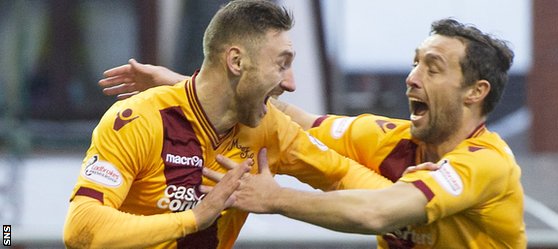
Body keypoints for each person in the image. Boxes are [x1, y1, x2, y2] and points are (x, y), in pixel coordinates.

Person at [99, 19, 526, 248]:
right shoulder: (386, 137)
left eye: (432, 68)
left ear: (476, 92)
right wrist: (186, 88)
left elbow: (379, 214)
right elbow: (291, 121)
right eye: (414, 62)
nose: (412, 78)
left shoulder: (485, 163)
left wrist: (276, 198)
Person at [63, 1, 392, 248]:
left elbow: (352, 181)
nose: (291, 84)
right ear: (236, 61)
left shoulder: (270, 130)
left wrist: (428, 201)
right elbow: (80, 229)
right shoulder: (140, 119)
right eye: (282, 65)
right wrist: (194, 218)